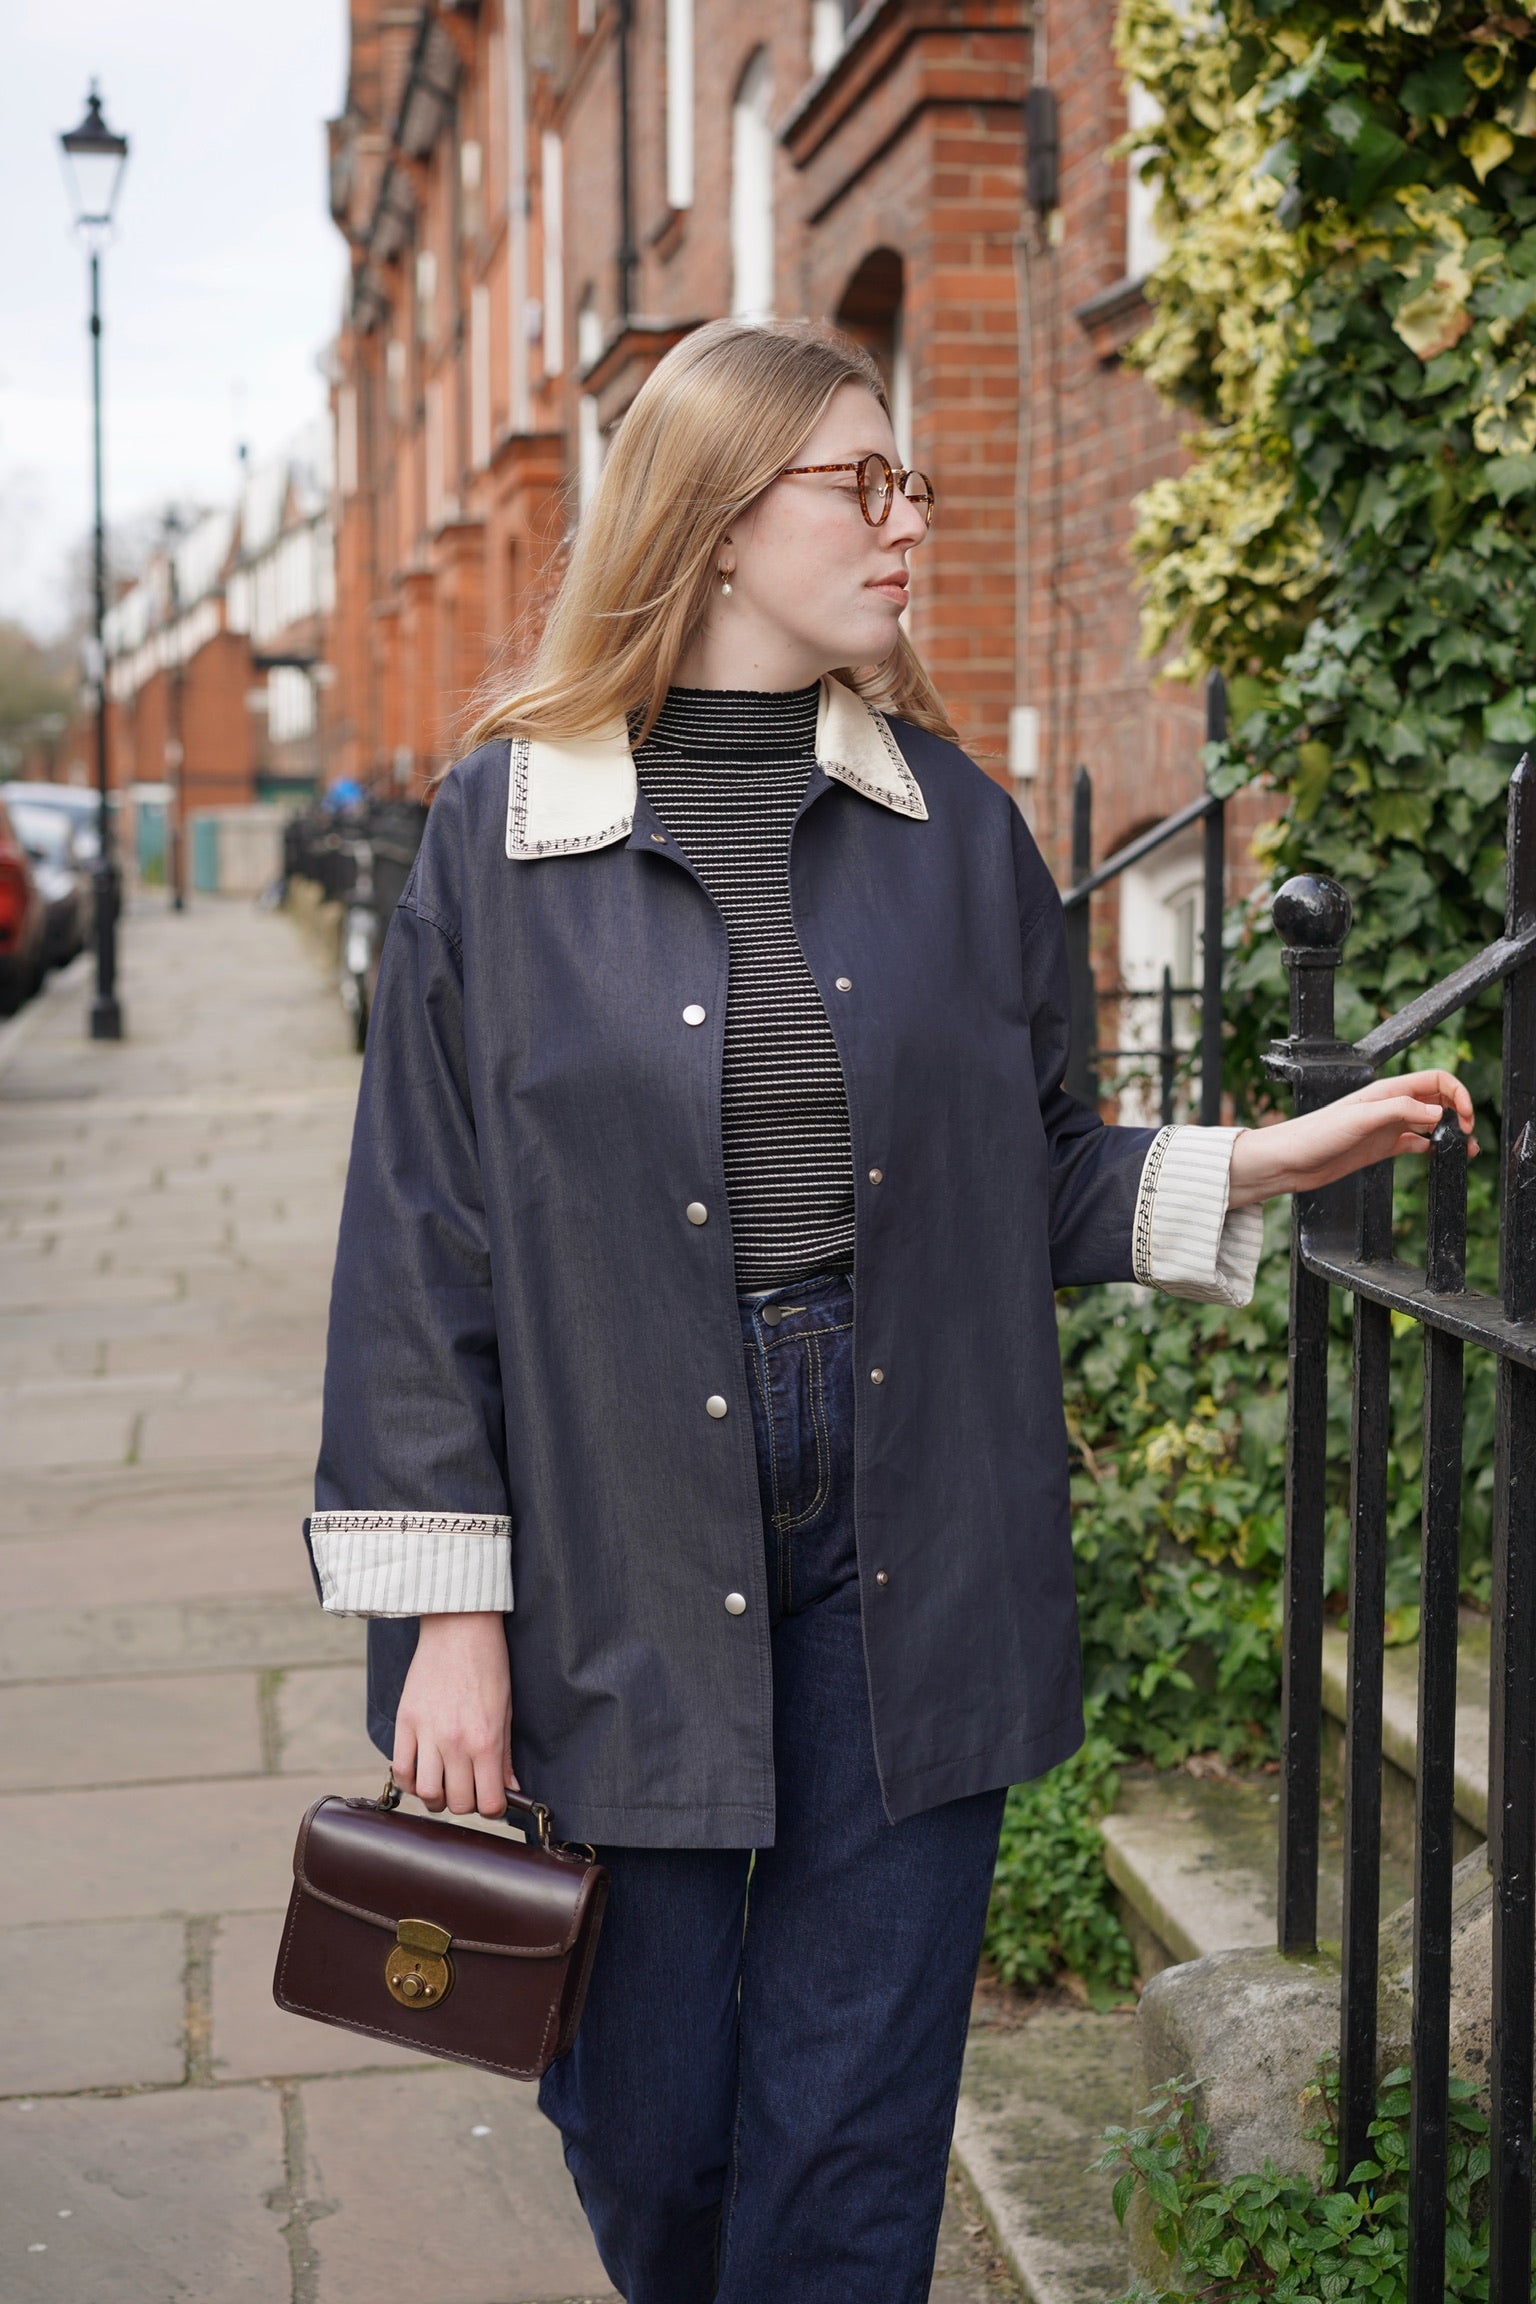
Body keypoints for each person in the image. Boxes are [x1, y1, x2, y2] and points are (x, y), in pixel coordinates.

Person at [306, 318, 1476, 2303]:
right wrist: (448, 1616)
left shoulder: (954, 827)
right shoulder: (499, 841)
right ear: (717, 515)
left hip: (914, 1522)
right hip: (614, 1543)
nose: (908, 518)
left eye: (911, 481)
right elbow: (423, 1241)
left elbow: (1036, 1172)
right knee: (652, 2122)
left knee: (852, 2145)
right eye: (865, 483)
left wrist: (1268, 1162)